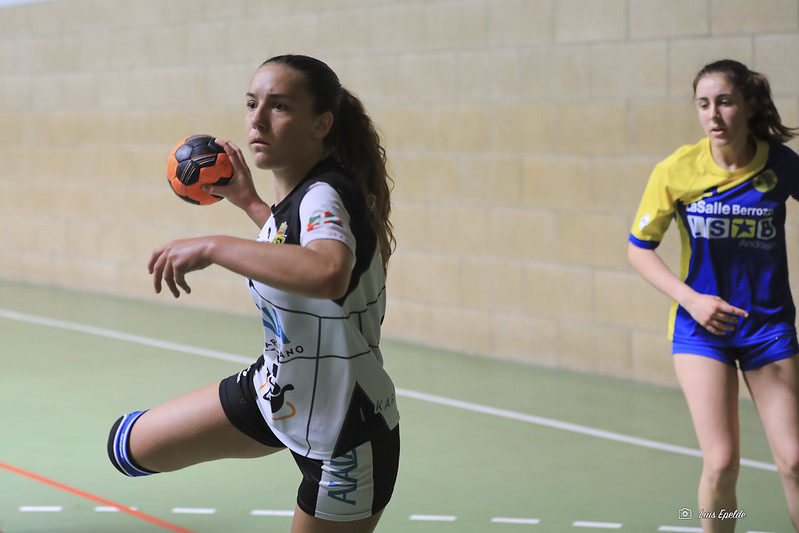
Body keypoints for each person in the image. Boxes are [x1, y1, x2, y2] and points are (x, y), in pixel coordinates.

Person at [107, 54, 400, 533]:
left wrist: (214, 246)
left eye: (279, 106)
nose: (257, 120)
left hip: (346, 432)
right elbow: (292, 247)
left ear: (321, 124)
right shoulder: (301, 197)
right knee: (128, 448)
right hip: (277, 392)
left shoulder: (326, 193)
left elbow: (328, 272)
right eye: (251, 104)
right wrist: (250, 204)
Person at [628, 58, 799, 532]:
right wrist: (692, 300)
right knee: (721, 463)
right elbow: (638, 249)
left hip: (768, 328)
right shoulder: (677, 169)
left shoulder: (781, 164)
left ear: (749, 104)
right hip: (702, 330)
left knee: (794, 459)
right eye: (704, 104)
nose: (714, 115)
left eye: (724, 102)